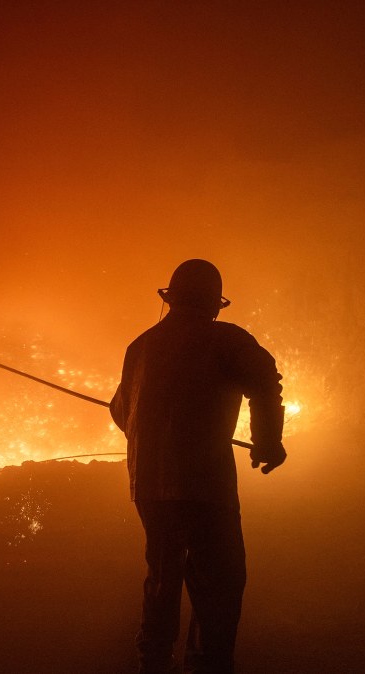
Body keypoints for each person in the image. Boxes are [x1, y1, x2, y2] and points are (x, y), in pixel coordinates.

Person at [110, 259, 286, 674]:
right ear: (213, 302)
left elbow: (121, 411)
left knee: (161, 579)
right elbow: (264, 380)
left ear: (171, 298)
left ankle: (152, 663)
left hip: (148, 487)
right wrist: (267, 441)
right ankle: (207, 665)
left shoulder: (139, 348)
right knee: (219, 583)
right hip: (205, 486)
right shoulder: (224, 338)